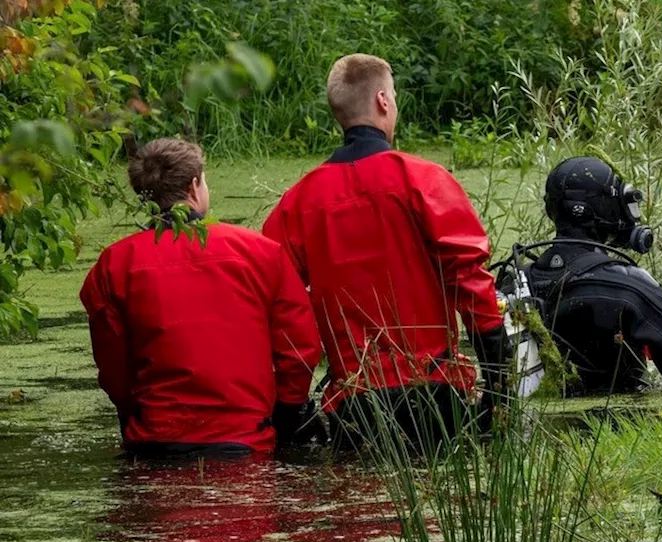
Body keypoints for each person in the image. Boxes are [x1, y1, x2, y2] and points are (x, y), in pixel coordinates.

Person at [262, 54, 509, 451]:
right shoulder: (423, 180)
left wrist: (290, 408)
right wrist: (499, 380)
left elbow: (281, 308)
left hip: (355, 406)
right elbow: (470, 280)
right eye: (393, 96)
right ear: (382, 101)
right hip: (434, 395)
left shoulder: (298, 204)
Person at [80, 138, 323, 455]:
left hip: (155, 442)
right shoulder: (261, 253)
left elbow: (114, 370)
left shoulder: (114, 265)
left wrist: (133, 415)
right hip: (243, 441)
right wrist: (288, 412)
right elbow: (299, 349)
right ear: (195, 187)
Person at [517, 156, 662, 395]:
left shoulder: (516, 283)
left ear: (552, 209)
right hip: (619, 425)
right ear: (607, 207)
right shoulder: (625, 286)